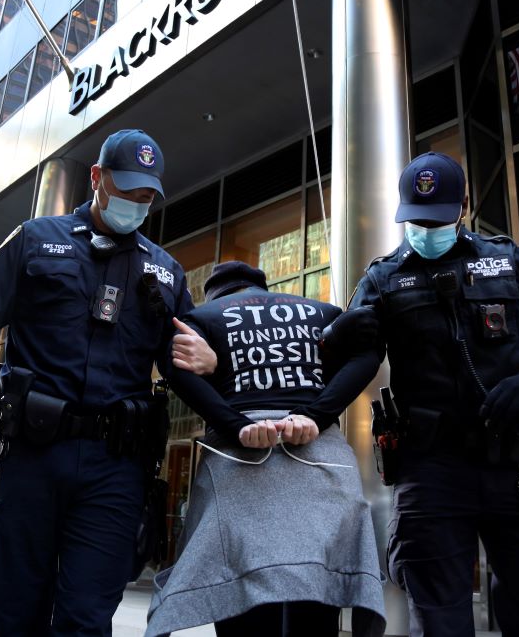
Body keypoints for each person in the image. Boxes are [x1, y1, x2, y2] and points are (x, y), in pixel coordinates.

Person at [0, 129, 217, 635]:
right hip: (30, 457)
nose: (137, 203)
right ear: (97, 178)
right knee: (17, 610)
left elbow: (186, 363)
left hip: (116, 469)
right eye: (127, 190)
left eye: (147, 196)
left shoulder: (166, 272)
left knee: (86, 618)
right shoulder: (35, 241)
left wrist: (209, 360)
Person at [330, 152, 519, 636]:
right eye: (415, 220)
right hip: (432, 469)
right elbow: (348, 362)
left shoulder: (507, 261)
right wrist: (333, 339)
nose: (424, 230)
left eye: (437, 220)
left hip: (517, 464)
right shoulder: (382, 277)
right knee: (438, 616)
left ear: (463, 207)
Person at [146, 262, 386, 637]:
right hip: (318, 457)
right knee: (318, 582)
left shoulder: (202, 318)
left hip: (239, 464)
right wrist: (316, 415)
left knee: (242, 583)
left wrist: (235, 425)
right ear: (264, 286)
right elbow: (368, 353)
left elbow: (172, 365)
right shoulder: (320, 313)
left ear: (216, 295)